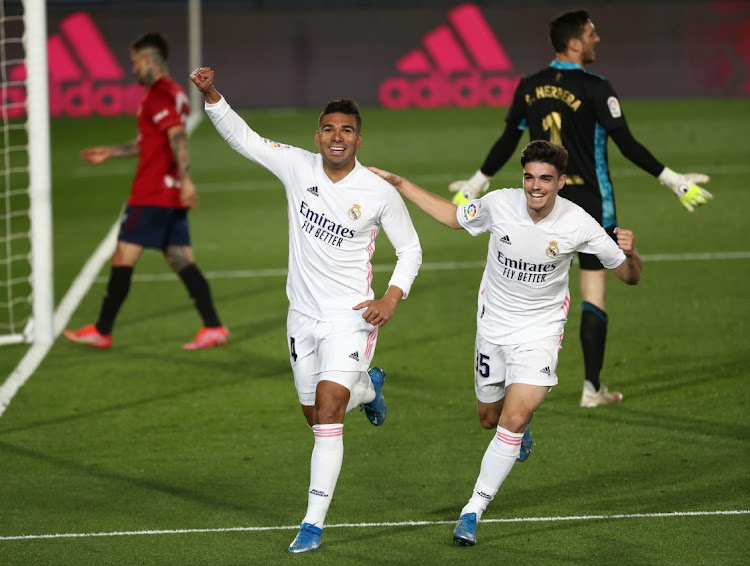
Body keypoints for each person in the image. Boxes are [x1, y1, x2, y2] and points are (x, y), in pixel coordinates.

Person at [189, 67, 422, 554]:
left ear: (359, 138)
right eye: (329, 129)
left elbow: (411, 251)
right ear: (317, 135)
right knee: (314, 415)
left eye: (347, 130)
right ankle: (369, 387)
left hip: (351, 317)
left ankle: (312, 523)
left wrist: (389, 299)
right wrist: (211, 94)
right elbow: (245, 139)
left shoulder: (379, 193)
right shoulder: (297, 166)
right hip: (302, 317)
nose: (337, 138)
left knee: (330, 415)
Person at [371, 139, 641, 546]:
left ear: (561, 182)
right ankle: (518, 427)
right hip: (493, 328)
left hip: (540, 332)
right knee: (489, 418)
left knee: (512, 419)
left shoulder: (579, 223)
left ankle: (472, 511)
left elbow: (629, 277)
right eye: (530, 177)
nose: (536, 186)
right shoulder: (499, 204)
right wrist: (400, 183)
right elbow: (452, 217)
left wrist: (632, 254)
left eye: (546, 179)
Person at [449, 9, 711, 410]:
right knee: (594, 292)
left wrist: (475, 182)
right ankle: (591, 388)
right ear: (574, 42)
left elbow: (508, 139)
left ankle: (518, 380)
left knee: (528, 287)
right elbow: (624, 141)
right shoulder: (595, 87)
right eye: (591, 34)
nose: (597, 40)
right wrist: (672, 179)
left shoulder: (530, 85)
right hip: (588, 203)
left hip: (540, 198)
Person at [64, 33, 228, 351]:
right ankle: (213, 326)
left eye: (135, 61)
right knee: (181, 259)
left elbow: (177, 136)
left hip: (152, 194)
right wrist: (110, 152)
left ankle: (102, 329)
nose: (133, 68)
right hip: (167, 193)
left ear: (149, 60)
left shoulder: (159, 94)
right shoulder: (172, 93)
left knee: (123, 256)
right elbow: (150, 143)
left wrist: (188, 180)